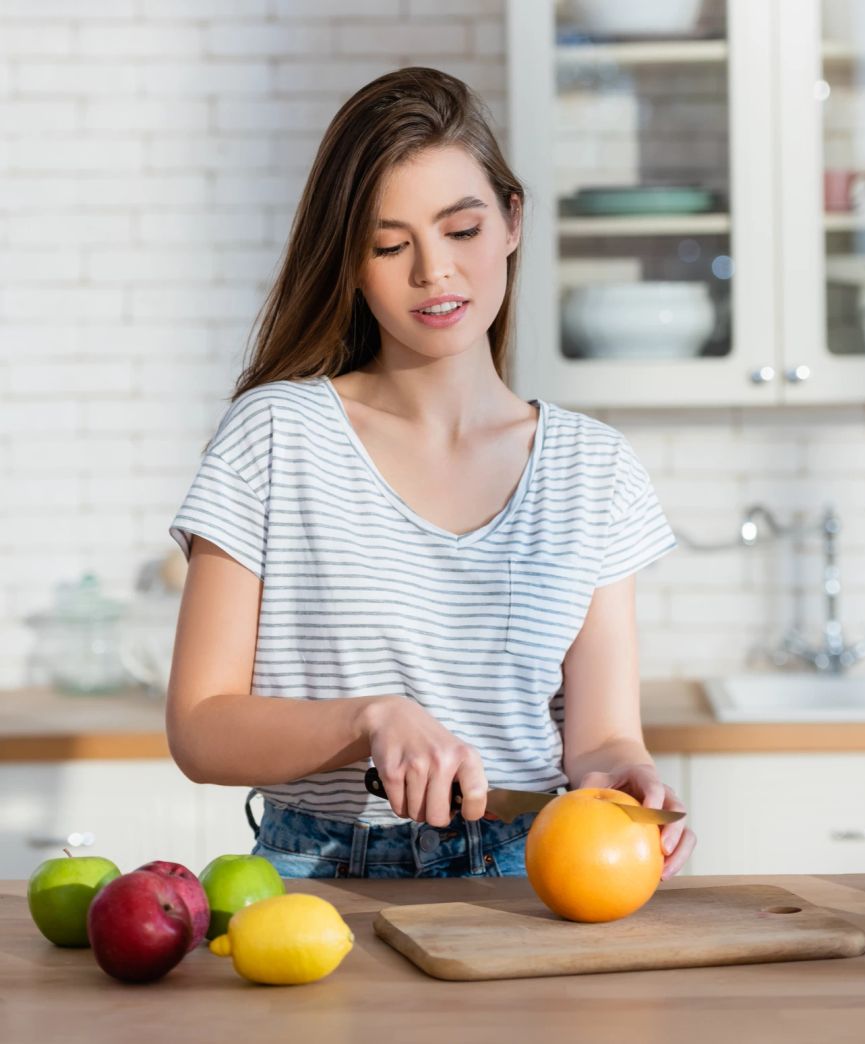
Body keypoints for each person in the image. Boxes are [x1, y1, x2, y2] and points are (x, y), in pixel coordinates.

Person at [166, 66, 697, 880]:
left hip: (536, 879)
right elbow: (199, 729)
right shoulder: (275, 436)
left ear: (513, 222)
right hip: (318, 879)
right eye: (389, 244)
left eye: (462, 230)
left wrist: (620, 777)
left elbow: (600, 737)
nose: (434, 273)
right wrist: (370, 720)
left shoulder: (594, 468)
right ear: (350, 263)